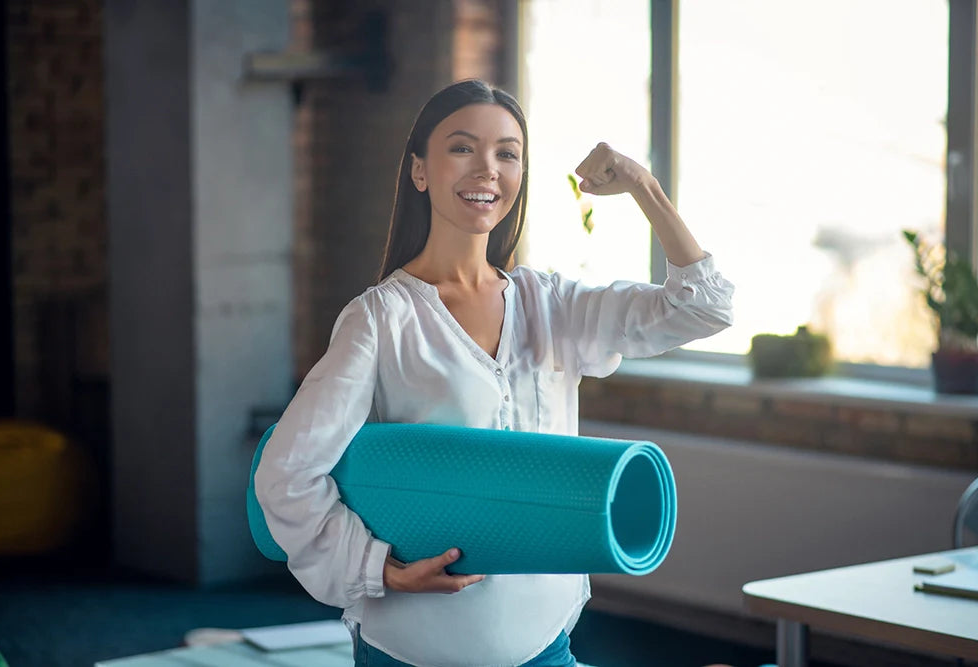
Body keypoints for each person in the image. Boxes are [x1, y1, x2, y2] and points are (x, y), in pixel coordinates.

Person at [255, 79, 734, 667]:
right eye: (462, 148)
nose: (487, 168)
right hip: (415, 648)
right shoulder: (382, 319)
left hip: (545, 641)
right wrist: (375, 567)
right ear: (420, 171)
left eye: (507, 153)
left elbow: (702, 307)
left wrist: (644, 187)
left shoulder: (553, 304)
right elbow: (287, 473)